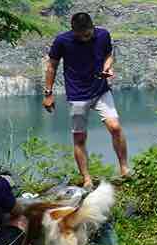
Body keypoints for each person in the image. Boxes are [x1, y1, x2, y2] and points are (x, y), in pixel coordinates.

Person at [43, 12, 130, 187]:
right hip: (77, 94)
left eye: (87, 35)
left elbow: (109, 55)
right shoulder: (62, 41)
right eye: (79, 35)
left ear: (92, 27)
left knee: (115, 127)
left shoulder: (103, 35)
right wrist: (48, 93)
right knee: (80, 138)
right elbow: (52, 66)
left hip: (100, 89)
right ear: (73, 30)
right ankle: (87, 179)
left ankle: (124, 169)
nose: (84, 38)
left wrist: (107, 67)